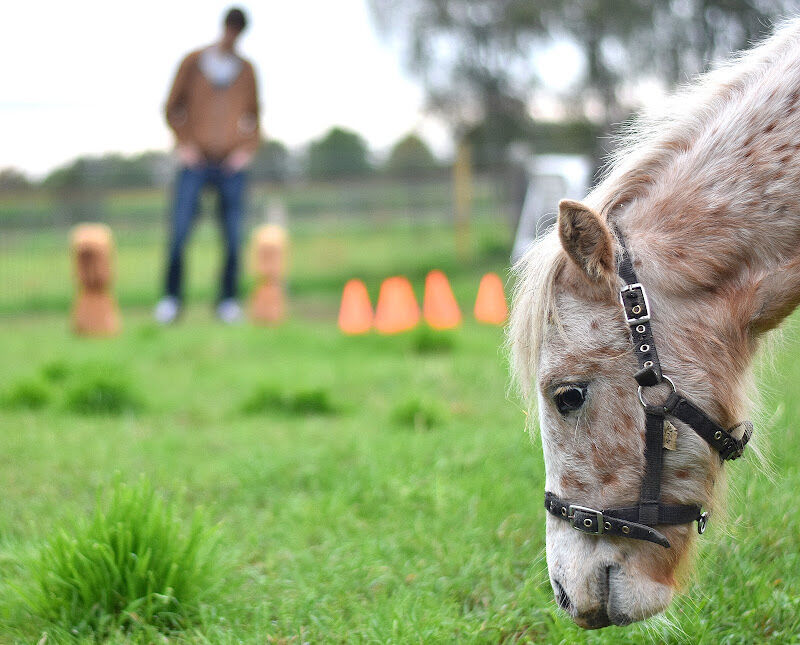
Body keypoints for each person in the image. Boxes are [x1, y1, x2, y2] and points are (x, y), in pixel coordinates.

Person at [155, 7, 259, 324]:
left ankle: (227, 301)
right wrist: (184, 144)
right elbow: (172, 108)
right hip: (195, 161)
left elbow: (255, 117)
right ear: (223, 27)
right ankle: (171, 300)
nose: (232, 35)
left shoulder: (246, 71)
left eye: (238, 31)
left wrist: (246, 150)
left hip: (230, 164)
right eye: (230, 28)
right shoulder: (194, 62)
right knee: (181, 230)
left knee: (232, 235)